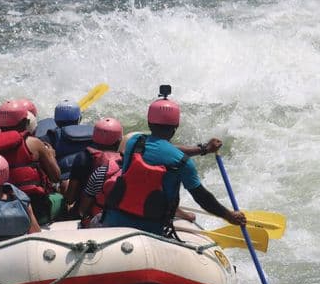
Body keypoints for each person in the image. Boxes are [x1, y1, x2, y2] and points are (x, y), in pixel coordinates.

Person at [102, 87, 246, 235]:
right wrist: (229, 216)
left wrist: (203, 149)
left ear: (149, 123)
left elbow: (161, 147)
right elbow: (202, 198)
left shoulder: (134, 143)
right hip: (151, 229)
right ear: (175, 127)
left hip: (114, 220)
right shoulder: (183, 162)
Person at [0, 100, 63, 224]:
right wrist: (51, 155)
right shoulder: (34, 143)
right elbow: (56, 177)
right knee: (62, 199)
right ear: (25, 122)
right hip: (35, 210)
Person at [64, 117, 124, 223]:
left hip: (87, 212)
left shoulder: (83, 157)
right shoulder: (123, 161)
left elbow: (70, 198)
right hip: (117, 213)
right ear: (119, 140)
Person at [38, 100, 95, 180]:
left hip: (61, 178)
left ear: (56, 121)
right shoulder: (93, 134)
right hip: (88, 178)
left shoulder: (51, 136)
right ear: (79, 119)